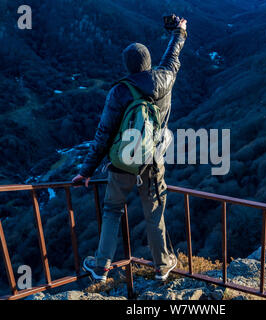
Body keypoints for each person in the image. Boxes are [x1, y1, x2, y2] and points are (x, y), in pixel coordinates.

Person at [72, 18, 187, 283]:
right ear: (148, 62)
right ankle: (162, 265)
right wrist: (179, 32)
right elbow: (172, 56)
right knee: (154, 211)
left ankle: (101, 267)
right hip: (152, 162)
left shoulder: (119, 92)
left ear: (127, 66)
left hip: (122, 162)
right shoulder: (165, 77)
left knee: (112, 210)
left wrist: (86, 171)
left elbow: (103, 135)